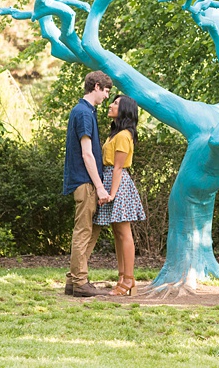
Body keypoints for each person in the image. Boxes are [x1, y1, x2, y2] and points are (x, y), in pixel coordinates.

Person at [62, 71, 112, 297]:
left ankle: (74, 281)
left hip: (85, 181)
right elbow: (87, 154)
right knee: (83, 231)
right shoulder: (83, 113)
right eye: (106, 91)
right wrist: (100, 186)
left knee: (89, 230)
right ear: (97, 86)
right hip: (85, 181)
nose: (107, 96)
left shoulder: (85, 111)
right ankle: (80, 282)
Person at [92, 94, 146, 296]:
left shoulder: (124, 135)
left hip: (118, 185)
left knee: (124, 233)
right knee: (117, 233)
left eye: (115, 103)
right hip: (110, 181)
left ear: (124, 110)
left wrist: (112, 194)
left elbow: (118, 168)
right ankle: (122, 276)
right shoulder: (116, 134)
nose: (110, 105)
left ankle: (129, 279)